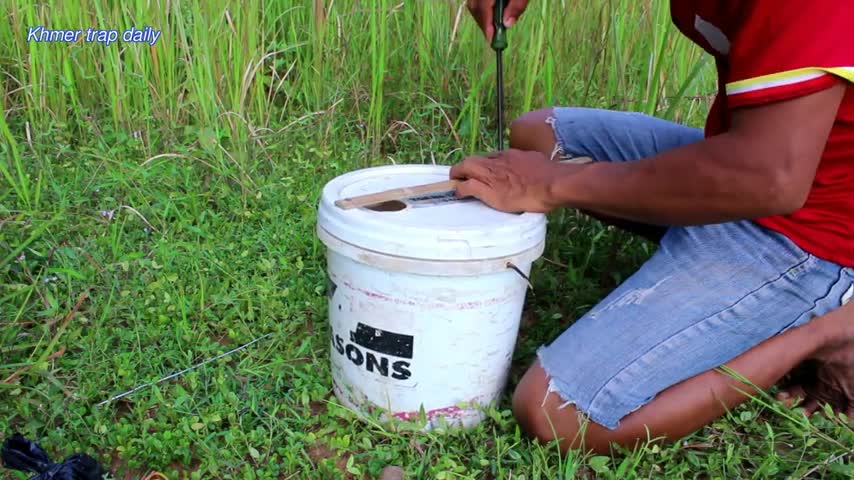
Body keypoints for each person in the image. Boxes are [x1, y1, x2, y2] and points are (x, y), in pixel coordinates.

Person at [455, 0, 854, 454]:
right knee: (542, 136)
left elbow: (772, 179)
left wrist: (554, 185)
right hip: (743, 159)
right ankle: (698, 250)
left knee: (555, 412)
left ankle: (830, 327)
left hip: (804, 230)